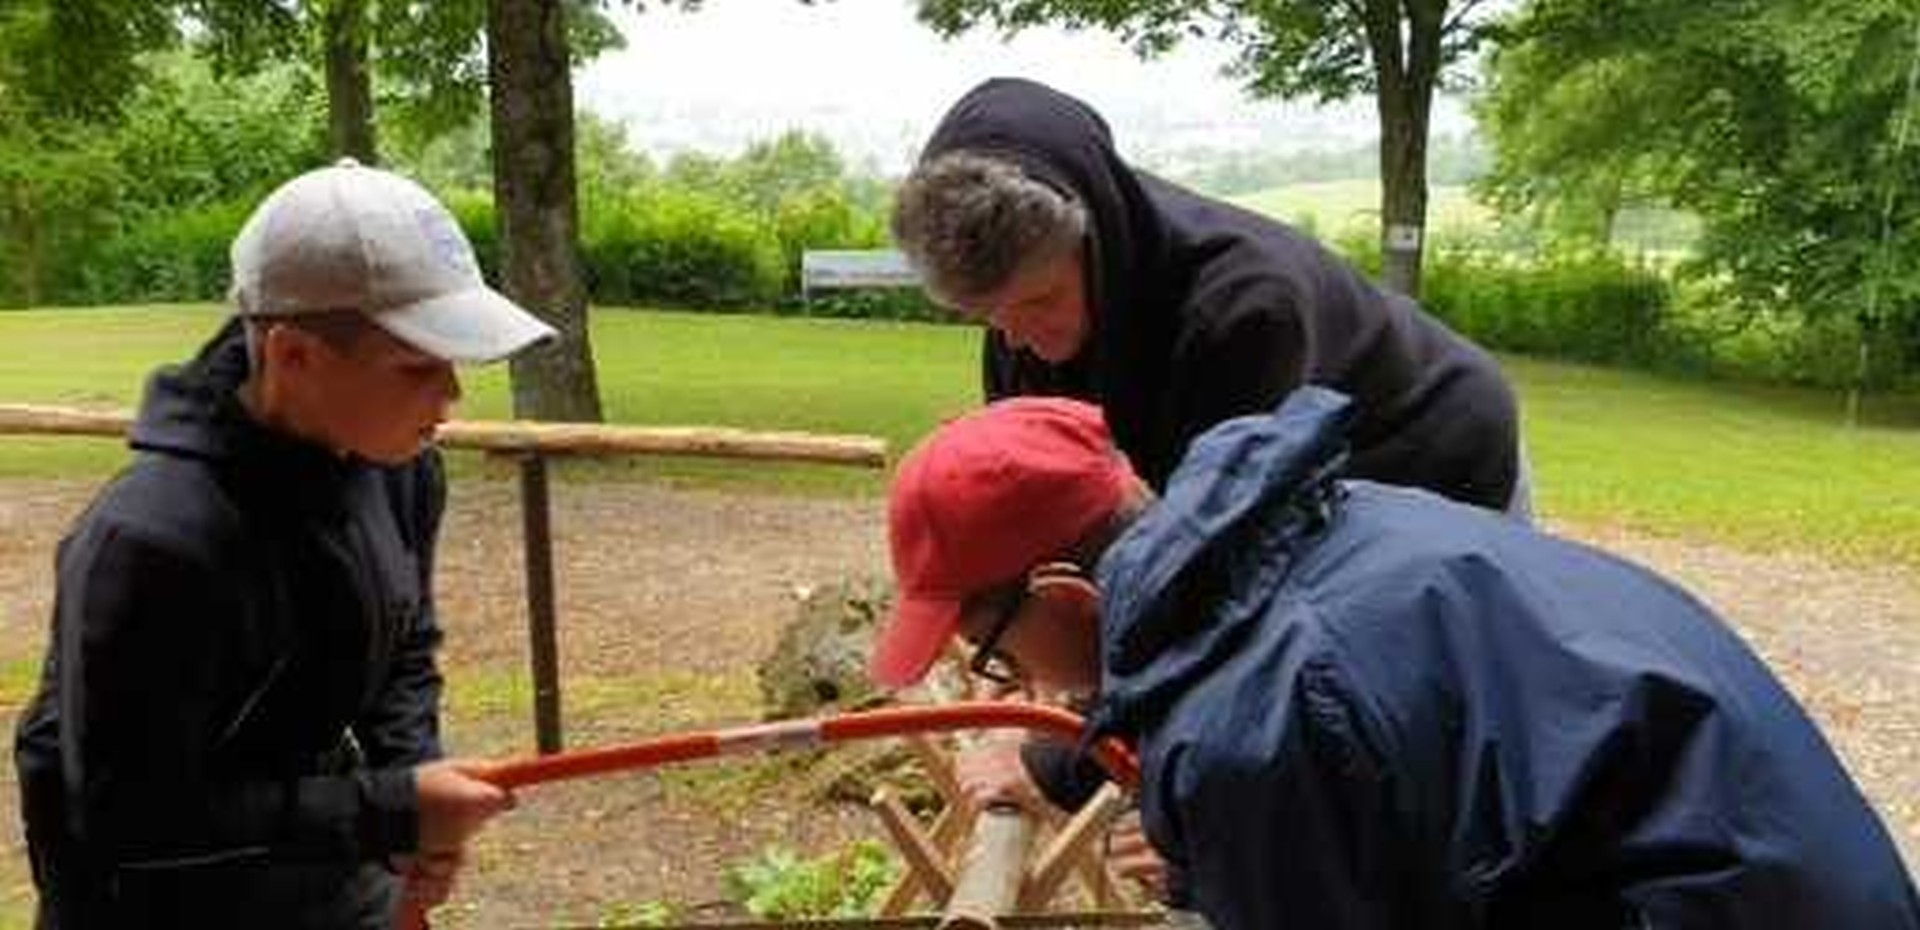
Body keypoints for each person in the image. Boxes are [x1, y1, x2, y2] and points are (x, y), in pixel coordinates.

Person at [868, 394, 1920, 929]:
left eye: (993, 652)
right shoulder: (1325, 528)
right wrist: (1213, 856)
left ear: (1065, 594)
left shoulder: (1255, 725)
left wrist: (1228, 857)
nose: (1006, 680)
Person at [13, 159, 551, 928]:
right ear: (293, 356)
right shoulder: (150, 545)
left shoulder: (400, 468)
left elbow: (404, 644)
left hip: (324, 874)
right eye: (417, 366)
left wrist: (412, 785)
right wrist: (388, 809)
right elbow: (125, 819)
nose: (452, 396)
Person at [892, 77, 1528, 519]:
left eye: (1039, 301)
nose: (1015, 339)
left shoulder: (1243, 311)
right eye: (989, 317)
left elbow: (1213, 555)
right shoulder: (1018, 334)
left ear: (1100, 240)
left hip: (1431, 458)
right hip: (1274, 490)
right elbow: (1043, 509)